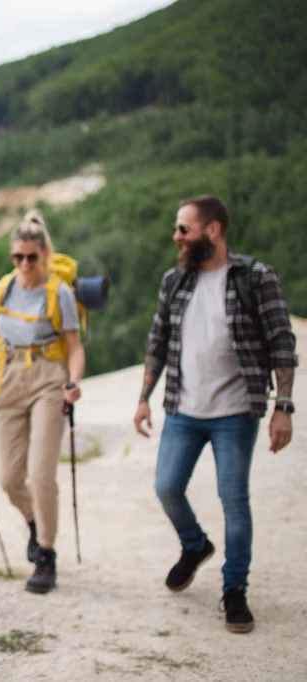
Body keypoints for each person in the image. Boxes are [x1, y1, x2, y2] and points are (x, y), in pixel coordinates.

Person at [134, 194, 297, 634]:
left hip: (236, 412)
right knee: (167, 487)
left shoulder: (255, 278)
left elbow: (282, 342)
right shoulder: (176, 281)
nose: (176, 237)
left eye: (183, 229)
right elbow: (158, 341)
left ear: (213, 230)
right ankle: (195, 545)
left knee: (235, 501)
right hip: (183, 410)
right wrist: (144, 397)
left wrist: (283, 407)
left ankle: (235, 590)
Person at [0, 210, 85, 595]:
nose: (24, 264)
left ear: (44, 254)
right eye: (18, 257)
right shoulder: (0, 290)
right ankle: (34, 523)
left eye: (32, 257)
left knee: (41, 474)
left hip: (48, 379)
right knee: (8, 477)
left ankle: (46, 554)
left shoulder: (61, 293)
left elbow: (75, 348)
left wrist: (74, 382)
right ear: (12, 256)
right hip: (8, 381)